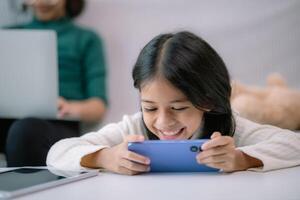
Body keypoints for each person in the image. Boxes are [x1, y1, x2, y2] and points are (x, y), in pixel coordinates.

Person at [47, 31, 300, 175]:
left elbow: (294, 144)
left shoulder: (228, 127)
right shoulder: (133, 129)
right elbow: (57, 153)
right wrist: (104, 157)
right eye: (150, 107)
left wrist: (241, 159)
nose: (163, 122)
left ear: (207, 99)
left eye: (178, 108)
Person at [2, 0, 107, 167]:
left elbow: (98, 107)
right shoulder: (7, 36)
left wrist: (68, 107)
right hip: (7, 118)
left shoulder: (86, 39)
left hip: (58, 124)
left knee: (25, 130)